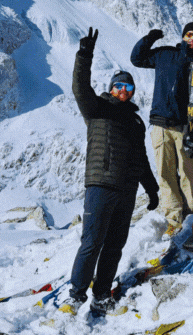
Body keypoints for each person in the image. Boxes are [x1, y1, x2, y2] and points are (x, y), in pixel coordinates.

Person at [68, 27, 159, 315]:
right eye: (119, 86)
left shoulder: (135, 122)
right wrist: (84, 55)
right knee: (92, 242)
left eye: (129, 88)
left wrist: (152, 189)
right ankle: (76, 296)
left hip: (127, 190)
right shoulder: (98, 109)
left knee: (115, 246)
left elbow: (141, 159)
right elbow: (80, 88)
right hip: (101, 185)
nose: (124, 91)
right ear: (111, 88)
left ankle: (101, 295)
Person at [130, 22, 193, 235]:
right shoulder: (165, 54)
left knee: (189, 174)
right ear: (183, 36)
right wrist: (149, 39)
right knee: (166, 174)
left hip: (188, 127)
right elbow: (137, 58)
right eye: (189, 34)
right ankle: (173, 219)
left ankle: (192, 217)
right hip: (161, 124)